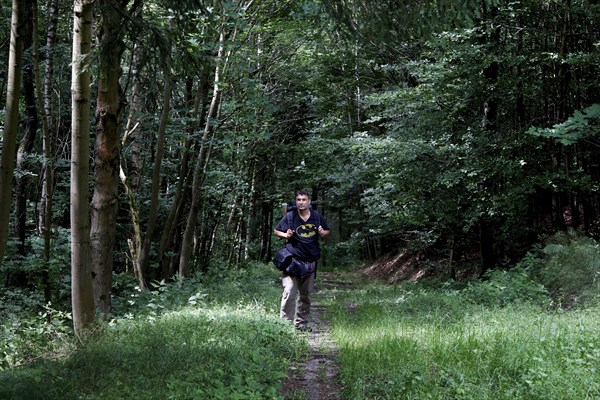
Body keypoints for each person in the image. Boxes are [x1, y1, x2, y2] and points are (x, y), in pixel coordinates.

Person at [274, 189, 330, 331]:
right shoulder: (291, 216)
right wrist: (285, 235)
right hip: (292, 261)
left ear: (309, 201)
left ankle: (301, 324)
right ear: (296, 201)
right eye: (298, 200)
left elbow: (327, 231)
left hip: (310, 262)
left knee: (305, 296)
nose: (301, 202)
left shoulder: (316, 217)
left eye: (303, 199)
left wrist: (323, 233)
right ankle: (284, 326)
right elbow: (276, 230)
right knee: (289, 291)